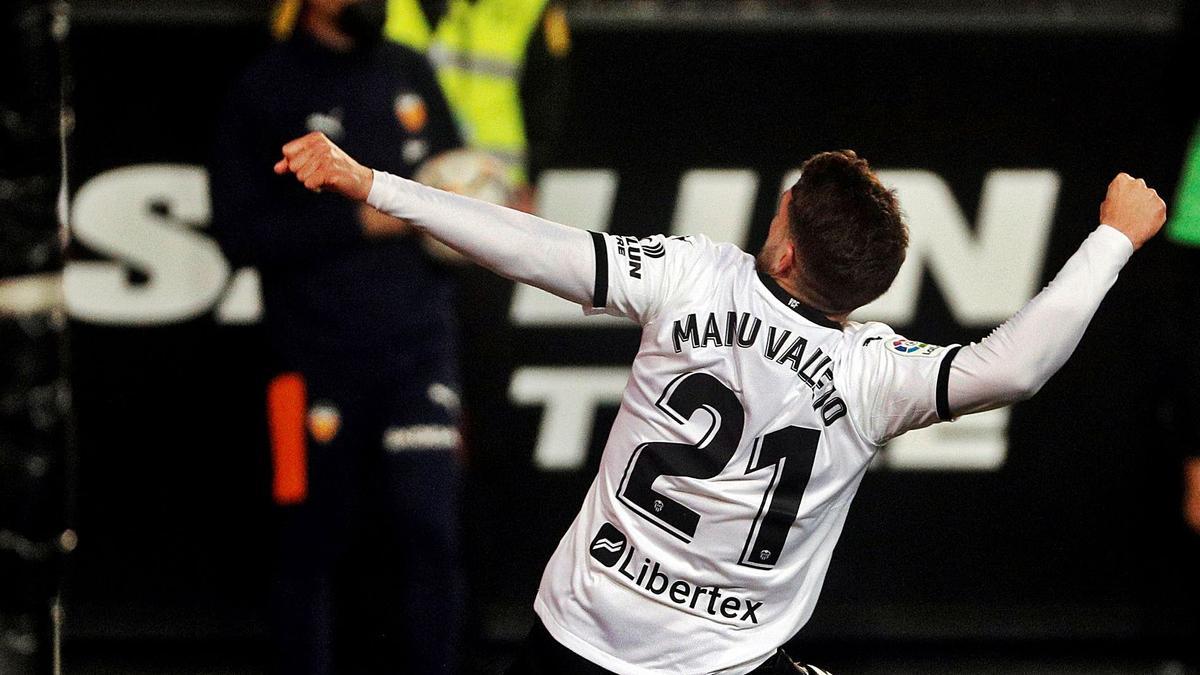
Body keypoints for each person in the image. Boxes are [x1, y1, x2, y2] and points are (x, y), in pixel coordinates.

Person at [272, 130, 1165, 674]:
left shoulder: (696, 276)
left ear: (781, 256)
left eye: (780, 212)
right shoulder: (874, 371)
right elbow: (1012, 368)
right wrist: (1111, 241)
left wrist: (378, 183)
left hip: (578, 635)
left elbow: (531, 246)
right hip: (721, 662)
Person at [208, 2, 466, 673]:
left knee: (429, 528)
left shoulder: (409, 69)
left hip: (419, 348)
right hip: (308, 360)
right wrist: (361, 223)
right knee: (309, 540)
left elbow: (454, 185)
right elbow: (239, 235)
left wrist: (488, 204)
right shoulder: (265, 88)